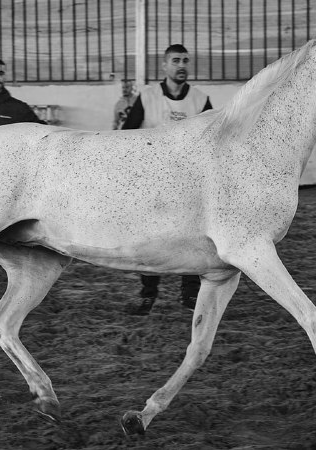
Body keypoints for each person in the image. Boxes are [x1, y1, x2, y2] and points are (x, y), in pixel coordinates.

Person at [121, 44, 213, 316]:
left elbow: (213, 139)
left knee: (193, 239)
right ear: (164, 66)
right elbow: (126, 136)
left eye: (185, 60)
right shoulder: (147, 97)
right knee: (151, 241)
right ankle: (148, 295)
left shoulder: (200, 99)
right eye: (175, 60)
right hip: (152, 185)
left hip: (189, 184)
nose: (181, 65)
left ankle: (190, 294)